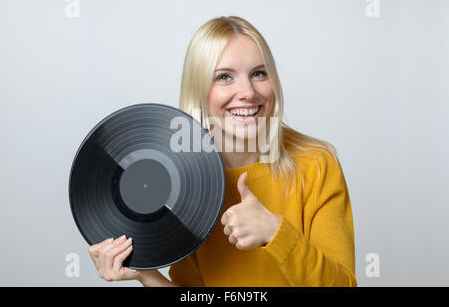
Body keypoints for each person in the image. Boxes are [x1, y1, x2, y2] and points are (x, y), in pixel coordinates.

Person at [88, 16, 357, 287]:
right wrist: (145, 273)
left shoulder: (316, 164)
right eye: (225, 77)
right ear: (200, 91)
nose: (248, 92)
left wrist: (276, 232)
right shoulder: (184, 181)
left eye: (258, 73)